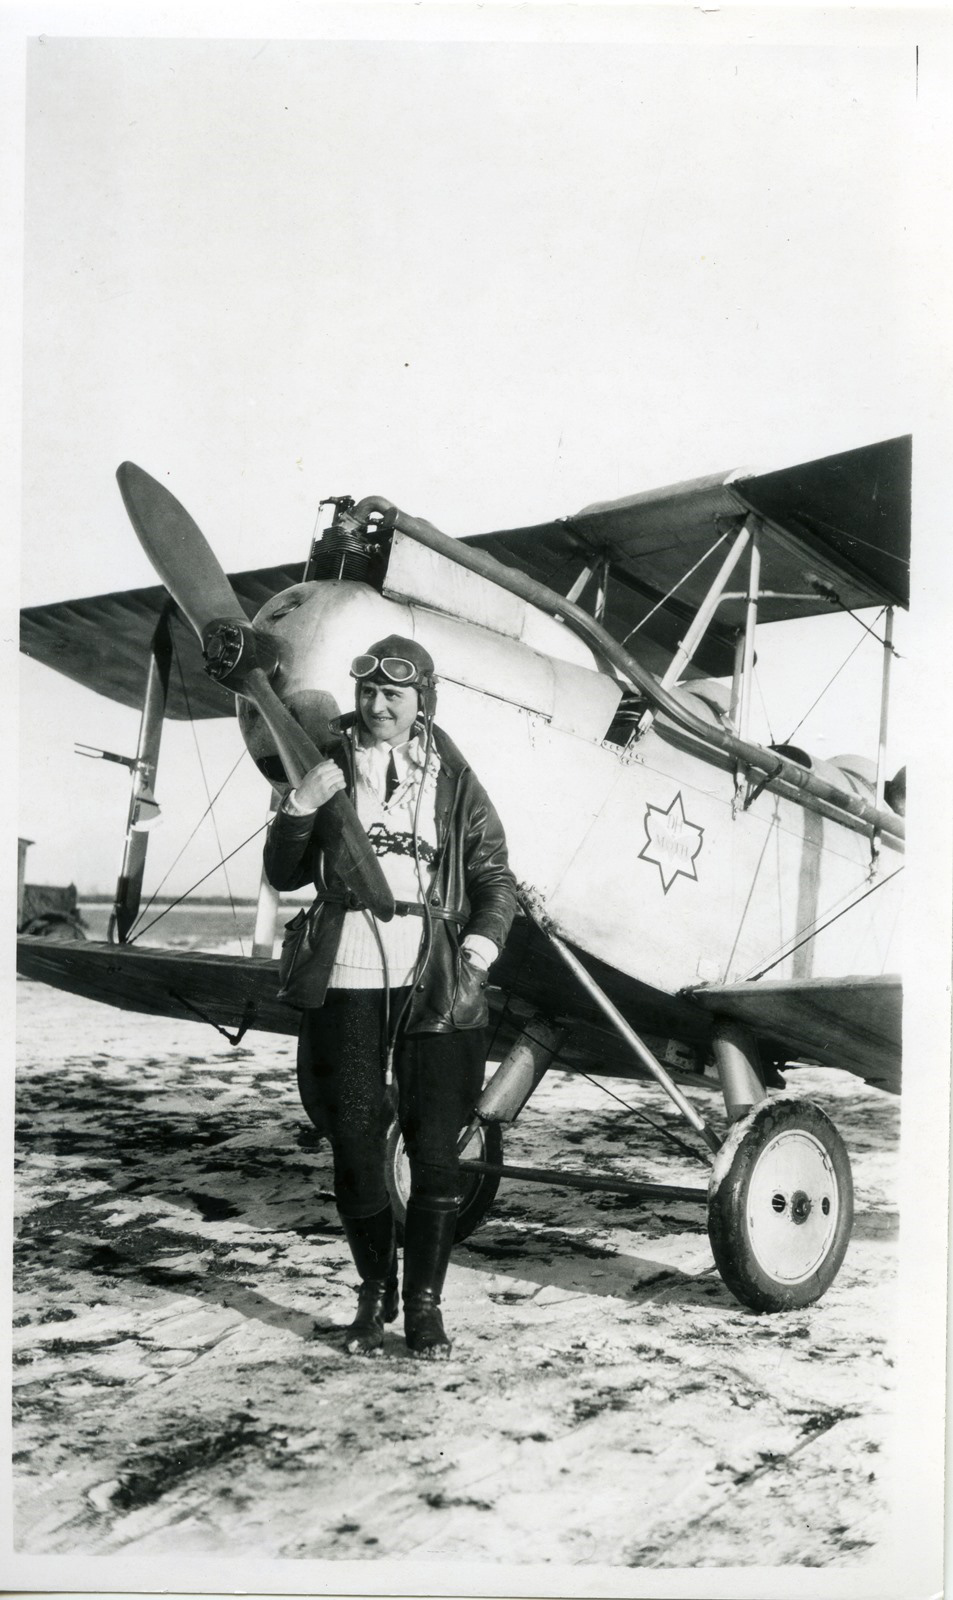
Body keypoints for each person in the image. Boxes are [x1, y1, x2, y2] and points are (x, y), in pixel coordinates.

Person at [263, 634, 517, 1360]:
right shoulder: (323, 761)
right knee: (353, 1145)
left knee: (436, 1152)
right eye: (368, 692)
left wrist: (478, 950)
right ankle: (372, 1297)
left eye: (393, 696)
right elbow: (284, 872)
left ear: (420, 701)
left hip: (434, 980)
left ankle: (424, 1309)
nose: (377, 706)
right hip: (346, 974)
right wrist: (299, 808)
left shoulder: (455, 777)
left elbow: (494, 874)